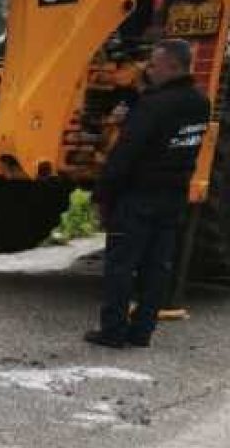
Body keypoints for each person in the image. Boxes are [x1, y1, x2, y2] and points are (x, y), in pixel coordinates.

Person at [86, 38, 210, 348]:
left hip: (138, 197)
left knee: (121, 265)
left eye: (154, 65)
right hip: (173, 197)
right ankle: (142, 332)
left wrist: (102, 195)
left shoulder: (153, 105)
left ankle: (113, 331)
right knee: (157, 268)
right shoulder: (200, 103)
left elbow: (125, 154)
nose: (148, 70)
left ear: (173, 66)